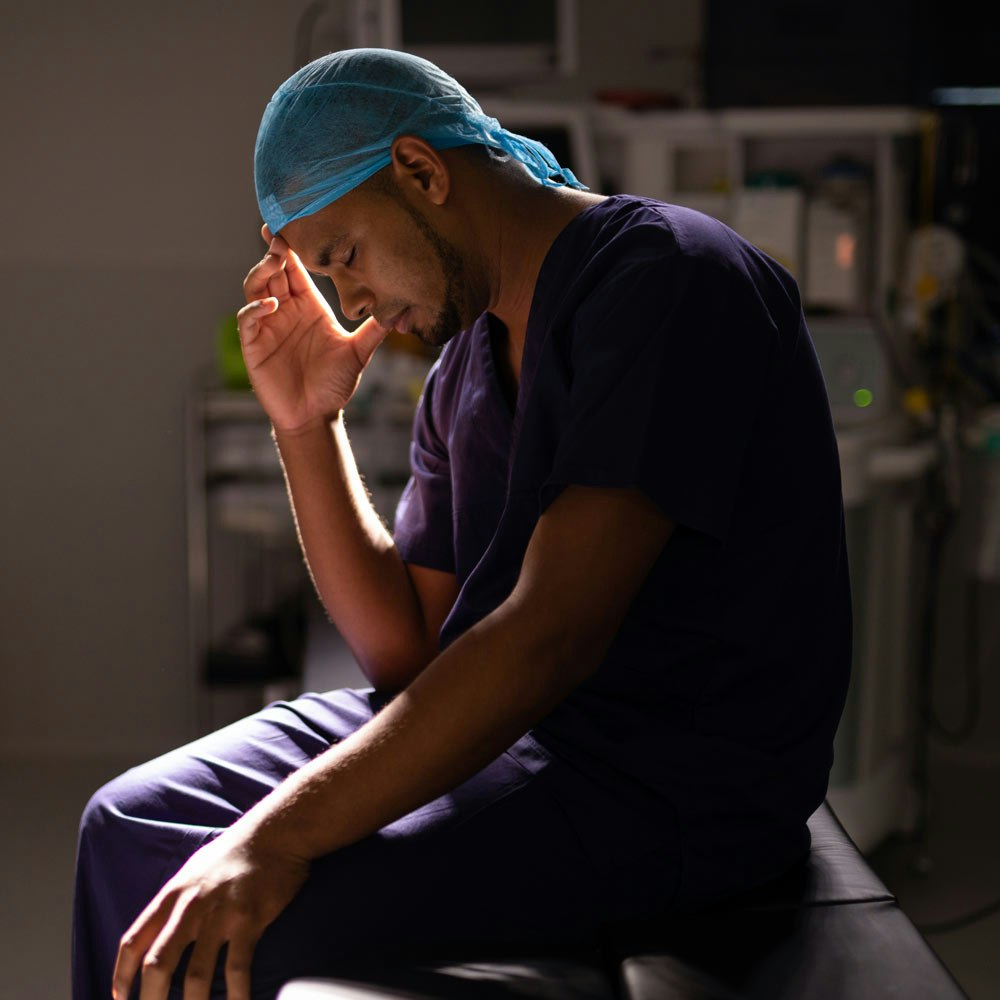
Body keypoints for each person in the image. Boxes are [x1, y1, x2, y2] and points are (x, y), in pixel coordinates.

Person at [72, 47, 852, 1000]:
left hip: (657, 784)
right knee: (127, 829)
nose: (351, 303)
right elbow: (408, 653)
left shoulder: (670, 281)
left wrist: (271, 840)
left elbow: (549, 638)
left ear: (421, 170)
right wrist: (306, 426)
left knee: (249, 932)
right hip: (508, 737)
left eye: (343, 257)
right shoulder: (466, 366)